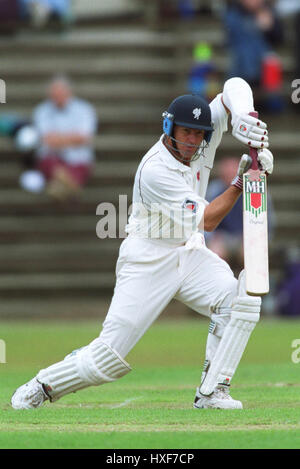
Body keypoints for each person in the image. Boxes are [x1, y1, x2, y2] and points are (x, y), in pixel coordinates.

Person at [11, 77, 274, 410]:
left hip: (189, 252)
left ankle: (212, 392)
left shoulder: (202, 137)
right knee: (106, 361)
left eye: (198, 134)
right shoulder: (155, 171)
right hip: (148, 259)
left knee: (239, 300)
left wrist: (244, 120)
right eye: (185, 132)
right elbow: (209, 220)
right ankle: (42, 385)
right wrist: (241, 181)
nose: (193, 141)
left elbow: (233, 87)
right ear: (169, 128)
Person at [32, 76, 97, 201]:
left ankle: (60, 185)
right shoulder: (42, 110)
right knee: (47, 162)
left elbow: (84, 138)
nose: (58, 97)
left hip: (78, 158)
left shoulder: (84, 109)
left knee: (79, 166)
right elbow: (46, 139)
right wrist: (71, 138)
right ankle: (68, 184)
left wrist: (58, 139)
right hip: (53, 157)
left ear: (69, 92)